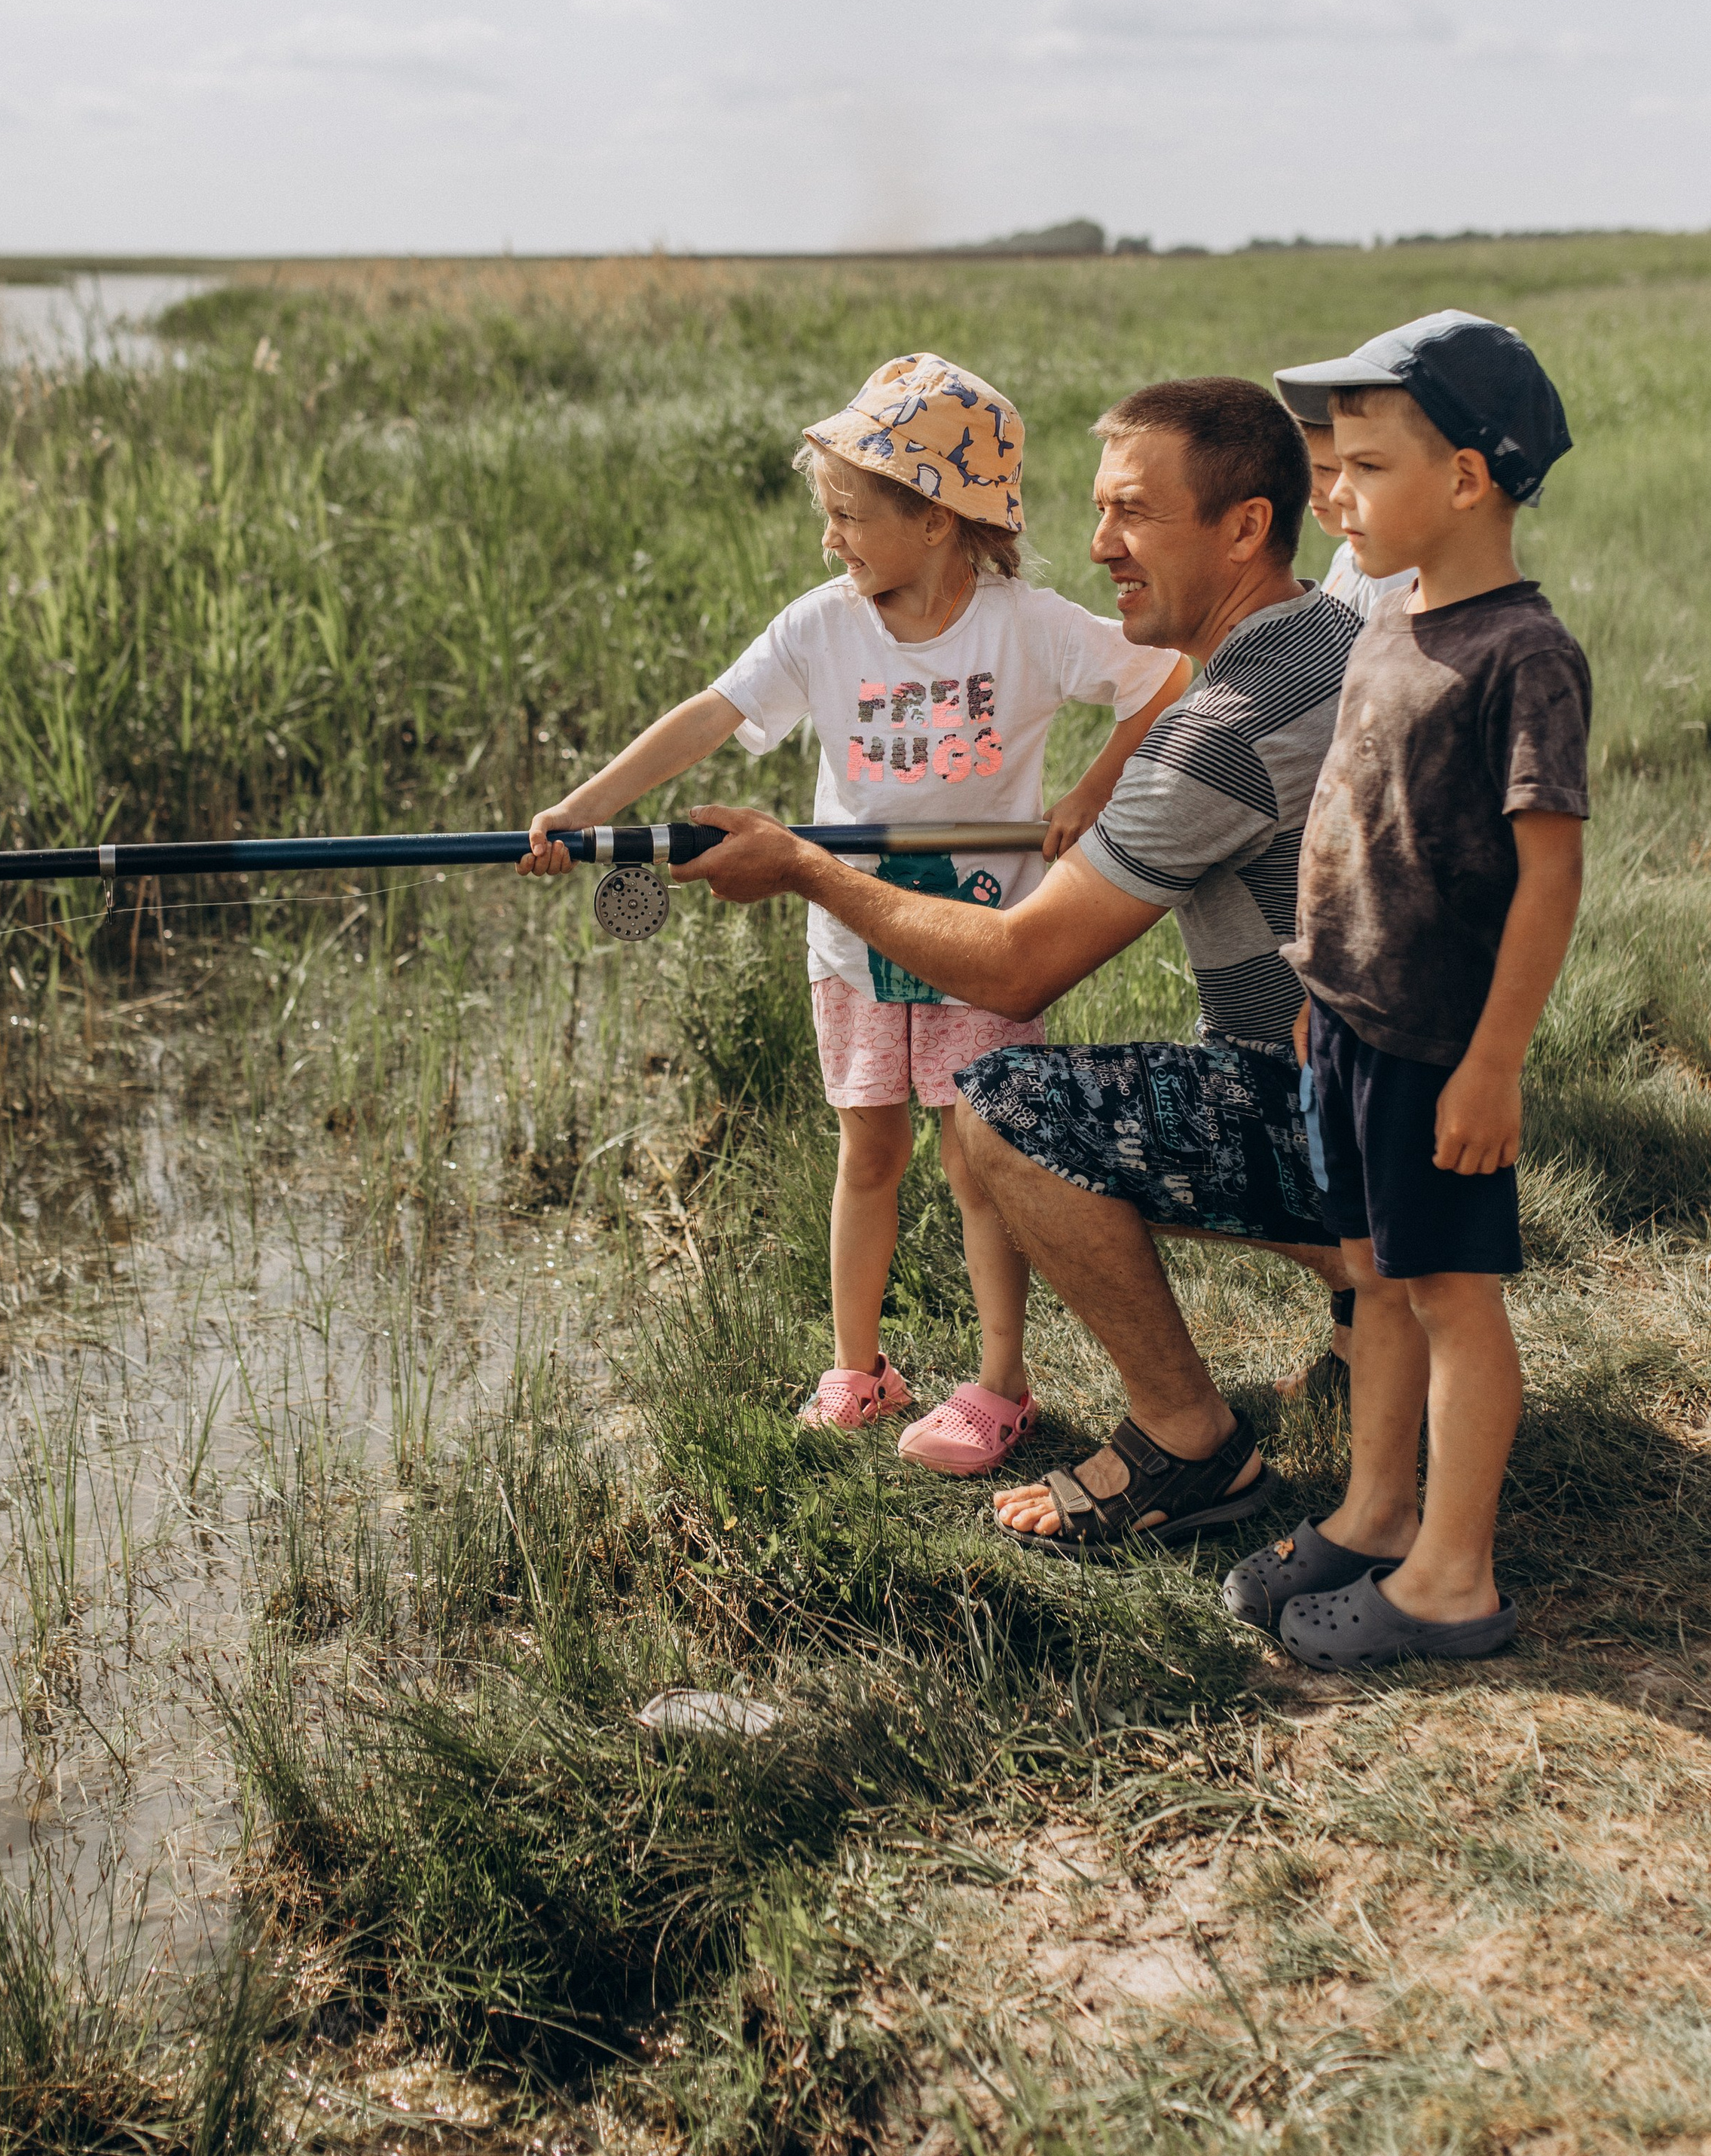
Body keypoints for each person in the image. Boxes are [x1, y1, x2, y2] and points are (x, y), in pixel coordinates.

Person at [671, 376, 1361, 1550]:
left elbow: (1015, 970)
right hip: (1383, 1088)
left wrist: (806, 868)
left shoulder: (1224, 728)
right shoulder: (1334, 635)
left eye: (1132, 515)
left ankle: (1190, 1439)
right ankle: (1371, 1301)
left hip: (1348, 1116)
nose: (1097, 548)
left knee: (1005, 1109)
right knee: (1197, 1079)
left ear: (1247, 528)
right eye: (1099, 511)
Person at [520, 352, 1186, 1471]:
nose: (830, 539)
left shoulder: (1027, 625)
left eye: (848, 515)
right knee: (867, 1148)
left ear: (936, 519)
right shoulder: (822, 627)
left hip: (984, 937)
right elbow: (709, 716)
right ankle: (859, 1366)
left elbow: (1161, 684)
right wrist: (582, 810)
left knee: (979, 1156)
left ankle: (999, 1383)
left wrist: (1089, 792)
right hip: (854, 939)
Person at [1221, 310, 1587, 1667]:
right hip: (1353, 1025)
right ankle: (1376, 1515)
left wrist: (1495, 1064)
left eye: (1364, 469)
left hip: (1443, 1045)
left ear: (1470, 480)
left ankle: (1452, 1576)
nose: (1333, 494)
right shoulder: (1391, 614)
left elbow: (1549, 878)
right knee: (1376, 1274)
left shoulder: (1521, 654)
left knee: (1450, 1292)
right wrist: (1323, 989)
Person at [1303, 412, 1417, 619]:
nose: (1310, 488)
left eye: (1326, 469)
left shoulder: (1391, 577)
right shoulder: (1345, 554)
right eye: (1307, 469)